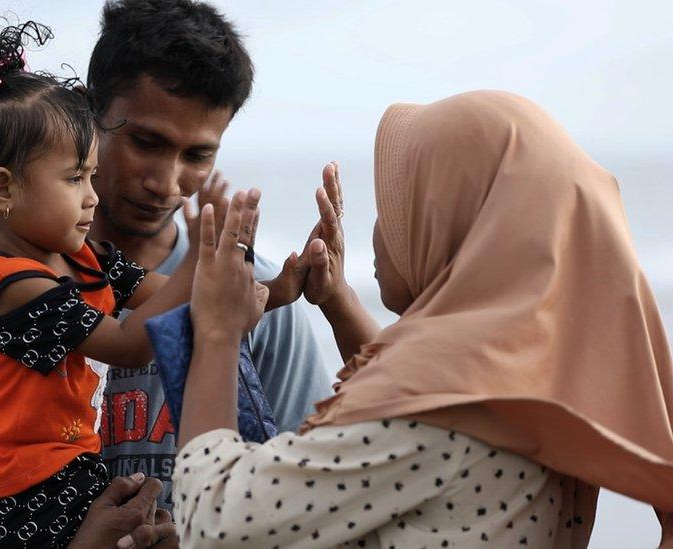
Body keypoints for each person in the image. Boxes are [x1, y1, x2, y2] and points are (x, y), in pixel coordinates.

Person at [0, 1, 343, 546]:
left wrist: (288, 286)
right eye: (146, 142)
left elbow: (315, 512)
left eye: (197, 155)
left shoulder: (243, 302)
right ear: (89, 118)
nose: (166, 182)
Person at [172, 90, 673, 548]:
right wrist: (339, 300)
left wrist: (218, 331)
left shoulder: (439, 412)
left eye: (398, 206)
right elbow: (420, 404)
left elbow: (216, 523)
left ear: (455, 224)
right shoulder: (526, 382)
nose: (379, 227)